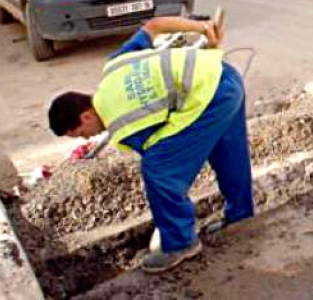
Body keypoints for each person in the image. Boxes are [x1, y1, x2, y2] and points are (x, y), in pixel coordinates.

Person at [47, 16, 254, 273]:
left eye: (80, 133)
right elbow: (153, 26)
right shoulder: (113, 67)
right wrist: (204, 28)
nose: (87, 138)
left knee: (158, 170)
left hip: (211, 98)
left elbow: (164, 161)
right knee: (228, 151)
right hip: (224, 74)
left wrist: (166, 216)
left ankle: (180, 243)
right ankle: (240, 215)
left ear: (85, 116)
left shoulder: (121, 123)